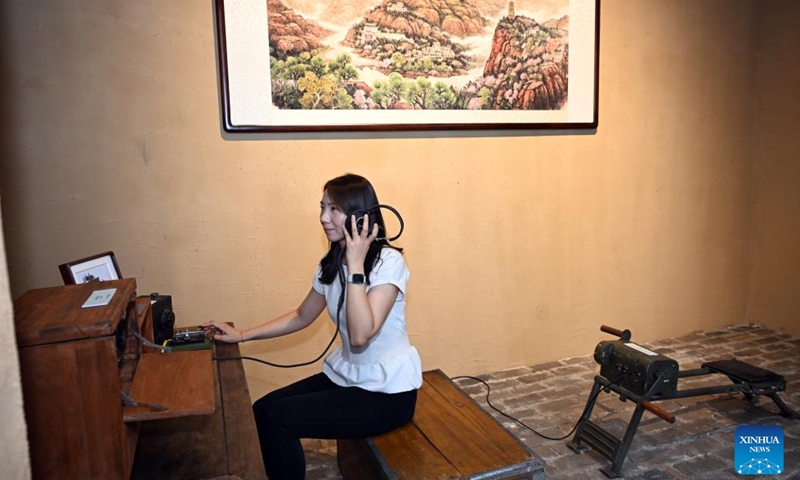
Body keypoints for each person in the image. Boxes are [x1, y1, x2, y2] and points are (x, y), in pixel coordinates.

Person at [203, 173, 422, 480]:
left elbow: (360, 335)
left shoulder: (388, 263)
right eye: (322, 208)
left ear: (361, 216)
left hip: (387, 394)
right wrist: (241, 335)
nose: (323, 217)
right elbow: (302, 315)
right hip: (349, 377)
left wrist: (356, 265)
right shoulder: (331, 262)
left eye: (333, 209)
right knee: (262, 409)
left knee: (279, 420)